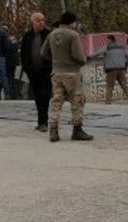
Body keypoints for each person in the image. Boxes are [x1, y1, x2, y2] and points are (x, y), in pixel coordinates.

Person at [40, 11, 93, 142]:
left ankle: (53, 130)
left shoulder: (51, 34)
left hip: (56, 73)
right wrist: (83, 60)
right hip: (72, 73)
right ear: (72, 22)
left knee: (56, 101)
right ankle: (77, 130)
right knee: (77, 101)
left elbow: (43, 52)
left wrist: (56, 60)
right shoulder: (73, 35)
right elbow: (78, 56)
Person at [20, 12, 52, 132]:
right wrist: (27, 69)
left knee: (45, 96)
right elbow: (23, 54)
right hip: (33, 73)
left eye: (43, 20)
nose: (41, 23)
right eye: (38, 20)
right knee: (38, 97)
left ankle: (44, 121)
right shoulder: (28, 36)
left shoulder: (49, 35)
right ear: (33, 22)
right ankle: (40, 121)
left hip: (46, 72)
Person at [92, 34, 128, 106]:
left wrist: (88, 56)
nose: (106, 42)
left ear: (110, 40)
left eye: (107, 40)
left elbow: (96, 53)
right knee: (125, 86)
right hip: (121, 69)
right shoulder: (122, 47)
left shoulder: (107, 47)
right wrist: (126, 65)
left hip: (111, 69)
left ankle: (108, 101)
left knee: (110, 86)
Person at [5, 33, 20, 99]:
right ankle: (17, 95)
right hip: (16, 62)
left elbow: (7, 50)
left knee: (10, 79)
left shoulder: (6, 40)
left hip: (9, 62)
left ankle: (12, 95)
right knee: (16, 79)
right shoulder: (14, 39)